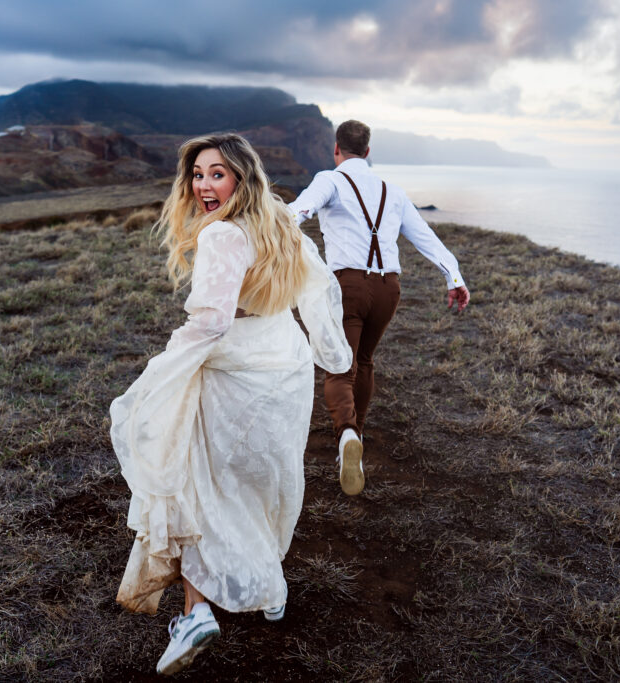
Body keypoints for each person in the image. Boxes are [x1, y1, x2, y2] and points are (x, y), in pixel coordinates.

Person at [109, 133, 351, 675]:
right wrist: (332, 358)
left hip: (236, 371)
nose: (202, 186)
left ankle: (196, 613)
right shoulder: (281, 221)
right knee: (266, 481)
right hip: (285, 368)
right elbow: (316, 291)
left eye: (216, 173)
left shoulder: (223, 237)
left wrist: (163, 369)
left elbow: (213, 321)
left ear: (242, 176)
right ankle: (271, 588)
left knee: (203, 484)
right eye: (196, 174)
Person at [289, 120, 470, 496]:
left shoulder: (331, 179)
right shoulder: (393, 191)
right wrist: (454, 276)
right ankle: (359, 430)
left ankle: (347, 436)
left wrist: (261, 232)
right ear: (368, 152)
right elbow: (425, 237)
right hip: (389, 288)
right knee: (365, 361)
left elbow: (299, 211)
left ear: (336, 149)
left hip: (348, 286)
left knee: (341, 365)